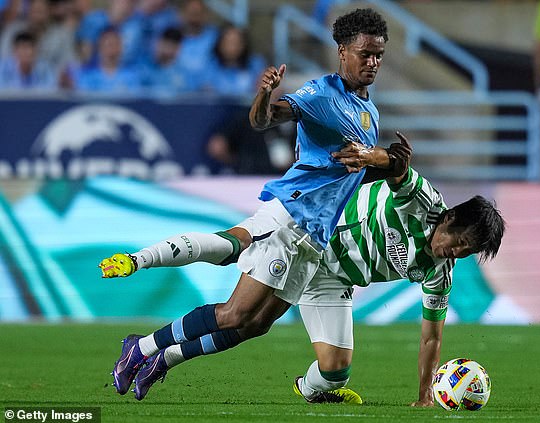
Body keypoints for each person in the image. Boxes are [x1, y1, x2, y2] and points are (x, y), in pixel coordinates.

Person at [102, 8, 399, 402]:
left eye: (378, 54)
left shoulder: (368, 111)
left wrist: (384, 162)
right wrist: (263, 94)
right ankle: (140, 348)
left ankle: (165, 358)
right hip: (291, 216)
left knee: (254, 325)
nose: (373, 62)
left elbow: (353, 171)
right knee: (233, 310)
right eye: (365, 54)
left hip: (316, 235)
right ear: (342, 51)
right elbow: (264, 120)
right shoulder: (322, 93)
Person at [100, 162, 505, 406]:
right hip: (306, 231)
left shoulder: (439, 272)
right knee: (236, 288)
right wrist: (378, 155)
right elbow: (398, 170)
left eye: (468, 253)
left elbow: (431, 337)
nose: (458, 253)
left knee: (318, 363)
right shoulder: (422, 202)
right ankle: (143, 342)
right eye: (462, 243)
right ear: (451, 218)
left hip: (331, 277)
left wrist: (423, 394)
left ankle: (163, 358)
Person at [200, 24, 265, 96]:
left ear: (244, 44)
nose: (232, 47)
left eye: (236, 42)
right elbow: (205, 93)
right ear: (220, 44)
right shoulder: (210, 66)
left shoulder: (255, 64)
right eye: (228, 42)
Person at [74, 26, 142, 94]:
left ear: (121, 47)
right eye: (108, 45)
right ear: (100, 47)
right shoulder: (88, 77)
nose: (112, 49)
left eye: (115, 44)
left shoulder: (131, 76)